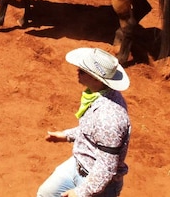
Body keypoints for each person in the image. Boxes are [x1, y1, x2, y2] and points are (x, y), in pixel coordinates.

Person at [37, 47, 131, 197]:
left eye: (82, 70)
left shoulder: (109, 118)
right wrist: (66, 135)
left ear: (96, 78)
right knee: (45, 194)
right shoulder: (95, 95)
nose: (77, 71)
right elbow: (91, 131)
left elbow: (106, 166)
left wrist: (82, 192)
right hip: (77, 164)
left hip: (98, 183)